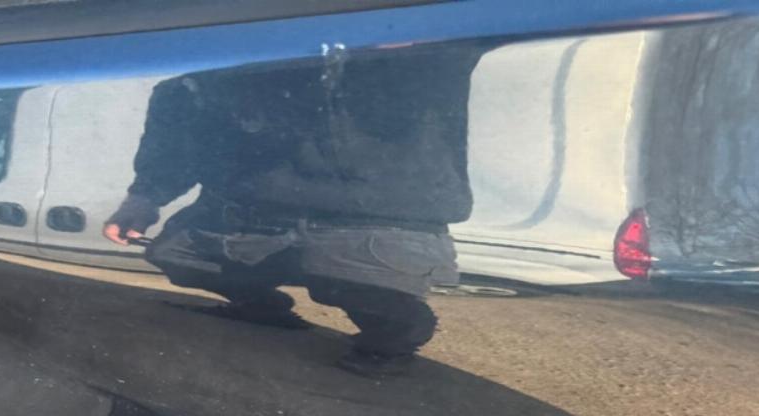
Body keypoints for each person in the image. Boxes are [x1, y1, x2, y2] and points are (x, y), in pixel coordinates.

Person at [104, 41, 486, 377]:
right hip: (250, 218)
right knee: (176, 254)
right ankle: (262, 305)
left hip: (374, 223)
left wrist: (405, 33)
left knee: (356, 288)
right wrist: (144, 198)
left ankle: (398, 331)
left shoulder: (417, 54)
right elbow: (176, 138)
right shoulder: (209, 69)